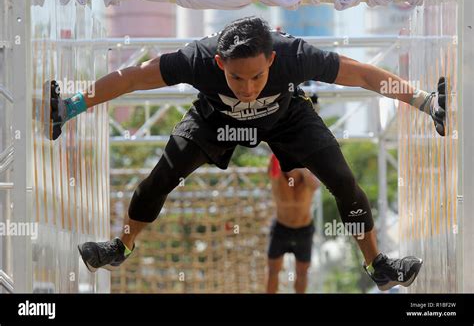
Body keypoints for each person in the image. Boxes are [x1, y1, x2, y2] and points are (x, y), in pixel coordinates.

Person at [50, 16, 446, 290]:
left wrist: (427, 103)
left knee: (344, 181)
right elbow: (132, 78)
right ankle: (120, 248)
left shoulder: (294, 54)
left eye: (258, 76)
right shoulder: (196, 60)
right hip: (212, 120)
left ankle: (378, 266)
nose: (248, 87)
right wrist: (69, 107)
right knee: (159, 179)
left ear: (272, 60)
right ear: (219, 62)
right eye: (236, 77)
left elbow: (361, 73)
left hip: (286, 119)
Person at [266, 154, 319, 293]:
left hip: (304, 230)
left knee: (302, 273)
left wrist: (301, 168)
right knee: (273, 271)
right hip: (281, 228)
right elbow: (273, 159)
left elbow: (316, 186)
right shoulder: (277, 174)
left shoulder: (307, 178)